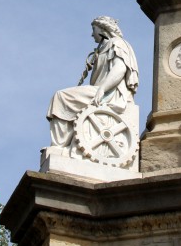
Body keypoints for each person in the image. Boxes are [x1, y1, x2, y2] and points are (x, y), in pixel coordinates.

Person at [46, 16, 139, 148]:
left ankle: (59, 145)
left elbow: (120, 69)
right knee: (61, 98)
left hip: (110, 93)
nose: (91, 34)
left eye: (93, 29)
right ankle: (63, 144)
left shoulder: (117, 43)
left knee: (61, 97)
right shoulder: (103, 47)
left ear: (102, 29)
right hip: (101, 90)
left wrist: (102, 89)